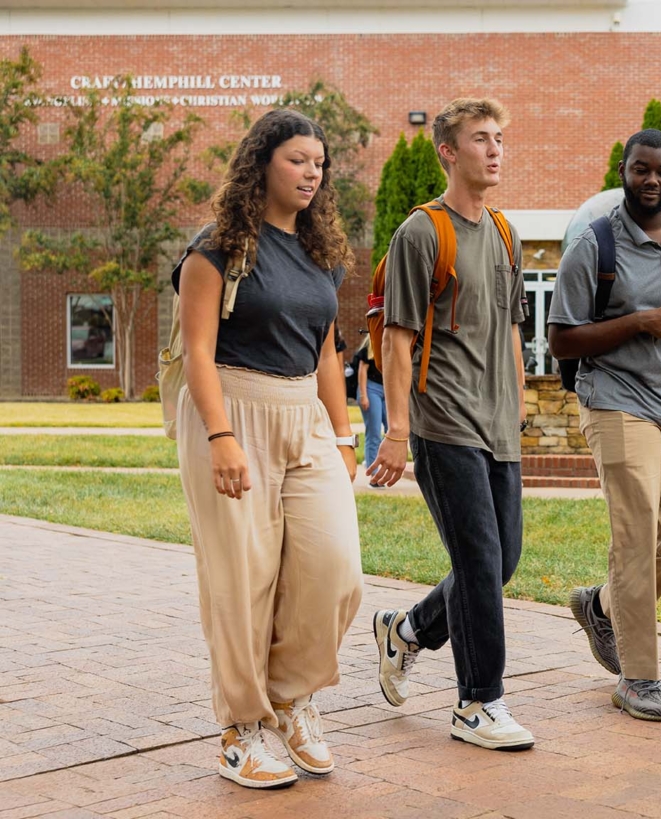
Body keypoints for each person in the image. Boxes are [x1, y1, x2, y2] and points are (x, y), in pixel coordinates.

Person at [173, 108, 363, 789]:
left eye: (319, 163)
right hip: (233, 407)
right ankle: (241, 727)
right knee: (241, 578)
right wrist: (221, 435)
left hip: (303, 412)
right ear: (262, 165)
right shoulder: (217, 246)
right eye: (297, 160)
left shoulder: (320, 254)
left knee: (336, 566)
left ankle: (288, 694)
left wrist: (341, 436)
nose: (311, 172)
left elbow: (326, 352)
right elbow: (197, 350)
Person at [368, 98, 533, 751]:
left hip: (497, 426)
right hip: (443, 422)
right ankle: (478, 702)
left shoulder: (505, 232)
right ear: (448, 150)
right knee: (479, 560)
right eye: (479, 139)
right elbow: (399, 337)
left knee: (501, 562)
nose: (494, 150)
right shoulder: (420, 233)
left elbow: (511, 327)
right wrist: (397, 428)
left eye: (499, 138)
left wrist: (518, 401)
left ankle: (406, 631)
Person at [547, 128, 661, 722]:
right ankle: (640, 677)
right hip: (616, 398)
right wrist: (638, 322)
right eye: (642, 169)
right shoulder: (593, 246)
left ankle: (601, 607)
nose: (653, 180)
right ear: (625, 170)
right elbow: (561, 339)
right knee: (637, 530)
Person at [352, 336, 388, 487]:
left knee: (391, 429)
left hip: (387, 389)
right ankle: (375, 477)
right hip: (370, 388)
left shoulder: (391, 342)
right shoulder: (370, 345)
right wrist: (363, 395)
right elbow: (362, 370)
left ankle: (374, 460)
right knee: (373, 431)